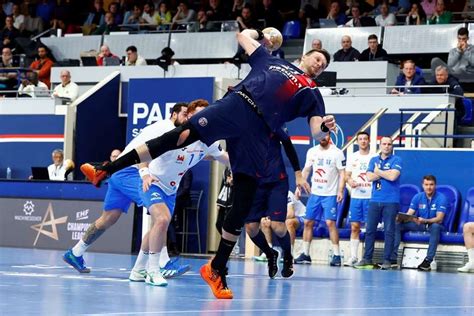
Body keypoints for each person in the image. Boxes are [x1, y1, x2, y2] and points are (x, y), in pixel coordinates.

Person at [81, 28, 336, 299]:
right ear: (305, 56)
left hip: (259, 132)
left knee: (243, 199)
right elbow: (241, 36)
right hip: (238, 104)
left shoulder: (312, 93)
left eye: (324, 65)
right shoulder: (272, 60)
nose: (320, 65)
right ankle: (104, 170)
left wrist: (325, 128)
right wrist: (260, 34)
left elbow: (316, 132)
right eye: (317, 59)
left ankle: (216, 268)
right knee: (179, 136)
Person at [63, 103, 191, 276]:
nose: (187, 118)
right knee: (159, 212)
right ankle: (163, 262)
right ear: (174, 115)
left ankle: (75, 252)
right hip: (131, 171)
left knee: (107, 218)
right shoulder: (166, 128)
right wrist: (145, 173)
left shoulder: (169, 129)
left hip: (118, 173)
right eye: (184, 114)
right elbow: (142, 153)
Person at [129, 99, 229, 286]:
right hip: (152, 182)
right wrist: (144, 174)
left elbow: (222, 157)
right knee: (162, 219)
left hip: (171, 189)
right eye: (197, 113)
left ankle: (137, 270)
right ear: (190, 116)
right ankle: (153, 271)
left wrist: (244, 165)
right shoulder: (173, 134)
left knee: (156, 228)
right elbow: (144, 152)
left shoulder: (208, 140)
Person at [244, 127, 305, 279]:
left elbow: (288, 145)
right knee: (251, 228)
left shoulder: (274, 121)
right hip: (255, 182)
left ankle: (288, 256)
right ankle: (271, 254)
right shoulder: (244, 124)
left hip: (277, 182)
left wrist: (298, 173)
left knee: (277, 226)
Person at [294, 133, 346, 266]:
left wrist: (340, 190)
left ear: (329, 136)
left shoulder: (337, 153)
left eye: (326, 135)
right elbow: (306, 170)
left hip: (330, 194)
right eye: (321, 136)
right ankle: (305, 254)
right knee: (307, 222)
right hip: (315, 194)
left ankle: (337, 255)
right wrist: (299, 186)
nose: (323, 138)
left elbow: (342, 174)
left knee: (330, 223)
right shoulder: (312, 152)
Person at [355, 136, 402, 270]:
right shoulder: (373, 159)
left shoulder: (397, 159)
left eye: (389, 144)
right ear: (380, 145)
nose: (386, 146)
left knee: (389, 231)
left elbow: (393, 177)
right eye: (384, 144)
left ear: (391, 146)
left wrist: (378, 172)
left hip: (391, 201)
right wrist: (384, 173)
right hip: (375, 200)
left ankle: (387, 260)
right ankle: (367, 258)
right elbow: (369, 177)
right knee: (370, 230)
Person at [392, 175, 447, 271]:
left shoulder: (441, 198)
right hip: (420, 224)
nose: (429, 187)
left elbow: (439, 218)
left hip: (434, 225)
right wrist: (402, 218)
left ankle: (428, 260)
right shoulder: (418, 197)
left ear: (435, 185)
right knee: (397, 224)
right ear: (422, 185)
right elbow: (409, 214)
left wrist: (425, 220)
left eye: (431, 184)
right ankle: (392, 258)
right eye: (426, 184)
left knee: (435, 227)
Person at [344, 132, 376, 266]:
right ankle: (353, 257)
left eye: (365, 139)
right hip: (356, 197)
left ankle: (367, 257)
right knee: (354, 227)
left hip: (370, 197)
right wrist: (350, 181)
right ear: (357, 142)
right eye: (360, 139)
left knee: (369, 228)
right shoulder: (353, 157)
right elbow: (346, 175)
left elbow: (378, 175)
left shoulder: (374, 156)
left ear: (369, 141)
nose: (363, 141)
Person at [285, 190, 306, 255]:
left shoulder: (287, 193)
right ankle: (268, 251)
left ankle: (289, 253)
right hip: (290, 218)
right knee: (264, 221)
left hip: (303, 216)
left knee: (289, 222)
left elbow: (291, 214)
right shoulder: (269, 194)